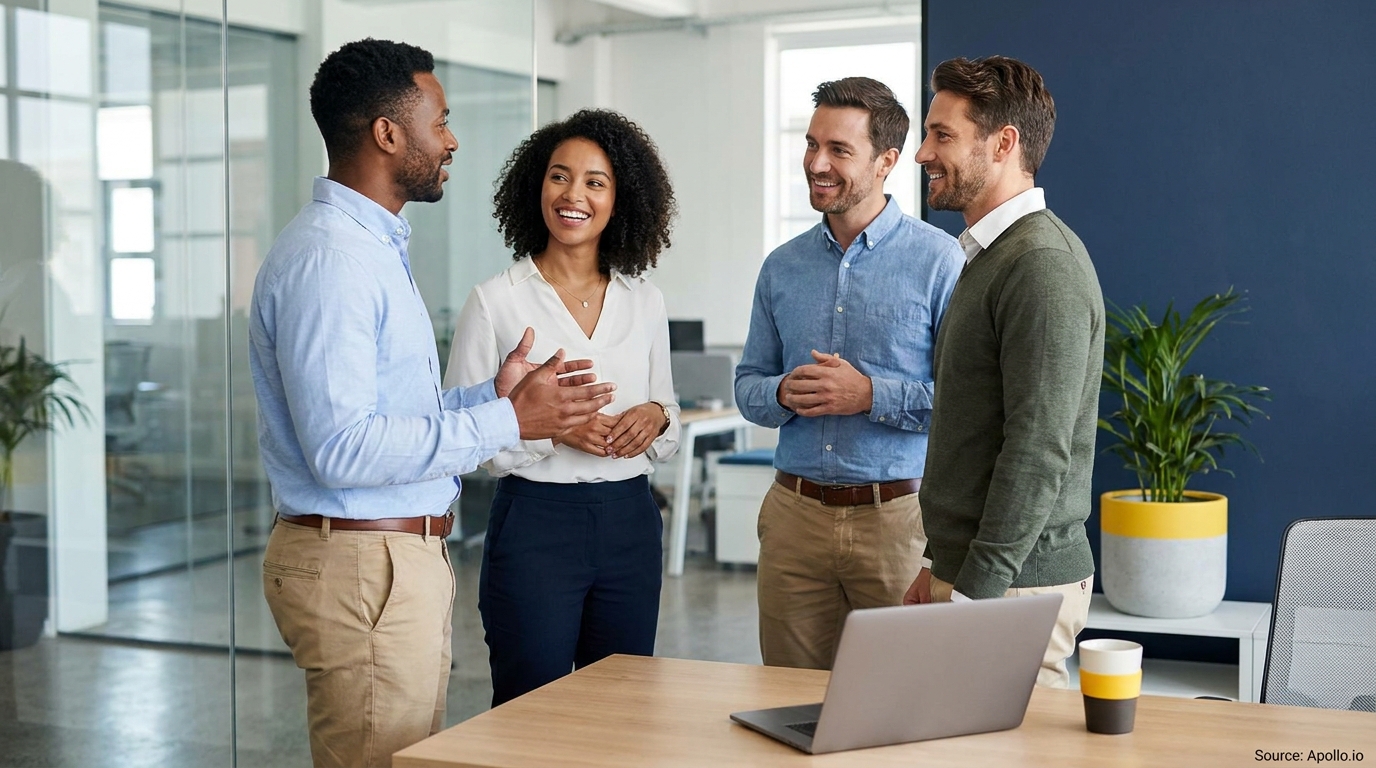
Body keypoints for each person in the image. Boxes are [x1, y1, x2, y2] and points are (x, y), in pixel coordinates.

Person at [249, 39, 616, 767]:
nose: (451, 140)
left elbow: (388, 413)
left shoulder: (371, 247)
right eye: (440, 120)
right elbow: (342, 447)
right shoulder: (335, 261)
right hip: (363, 562)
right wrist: (508, 421)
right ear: (389, 135)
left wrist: (493, 395)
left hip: (383, 560)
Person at [444, 109, 680, 706]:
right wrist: (552, 428)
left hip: (630, 520)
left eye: (595, 182)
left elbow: (667, 410)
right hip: (536, 526)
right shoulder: (495, 301)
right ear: (536, 186)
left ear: (619, 198)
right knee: (531, 709)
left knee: (622, 707)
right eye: (559, 176)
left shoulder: (645, 300)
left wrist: (655, 415)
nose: (574, 195)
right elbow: (459, 432)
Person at [735, 77, 964, 670]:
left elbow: (966, 404)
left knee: (902, 702)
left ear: (887, 161)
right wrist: (781, 391)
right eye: (812, 145)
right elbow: (748, 385)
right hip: (793, 520)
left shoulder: (941, 262)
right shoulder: (780, 268)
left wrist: (869, 395)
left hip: (899, 525)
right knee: (786, 701)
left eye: (839, 150)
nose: (816, 163)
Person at [903, 55, 1104, 689]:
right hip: (982, 575)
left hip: (1015, 585)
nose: (920, 154)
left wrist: (975, 593)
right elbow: (978, 427)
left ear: (1003, 144)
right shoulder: (993, 255)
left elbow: (1037, 450)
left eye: (942, 135)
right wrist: (941, 567)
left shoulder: (1040, 264)